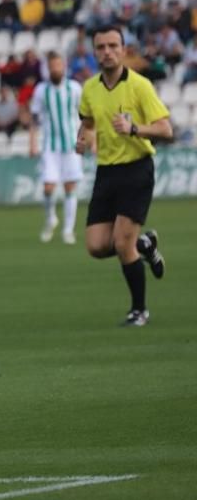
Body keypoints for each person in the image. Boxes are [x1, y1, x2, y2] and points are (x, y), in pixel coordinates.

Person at [77, 27, 172, 327]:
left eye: (113, 45)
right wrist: (84, 139)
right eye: (101, 46)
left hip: (136, 169)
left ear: (123, 49)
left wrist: (135, 129)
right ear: (94, 52)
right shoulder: (90, 88)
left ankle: (139, 310)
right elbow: (88, 124)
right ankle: (144, 244)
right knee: (95, 246)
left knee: (121, 243)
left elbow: (166, 130)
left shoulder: (140, 86)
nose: (107, 51)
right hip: (106, 171)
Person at [29, 53, 83, 245]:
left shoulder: (75, 88)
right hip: (50, 146)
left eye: (59, 65)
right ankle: (51, 218)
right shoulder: (41, 90)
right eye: (52, 66)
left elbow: (85, 116)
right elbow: (34, 119)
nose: (56, 69)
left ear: (64, 66)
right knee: (48, 187)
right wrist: (32, 142)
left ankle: (68, 229)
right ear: (48, 68)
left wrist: (88, 138)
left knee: (70, 186)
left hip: (71, 145)